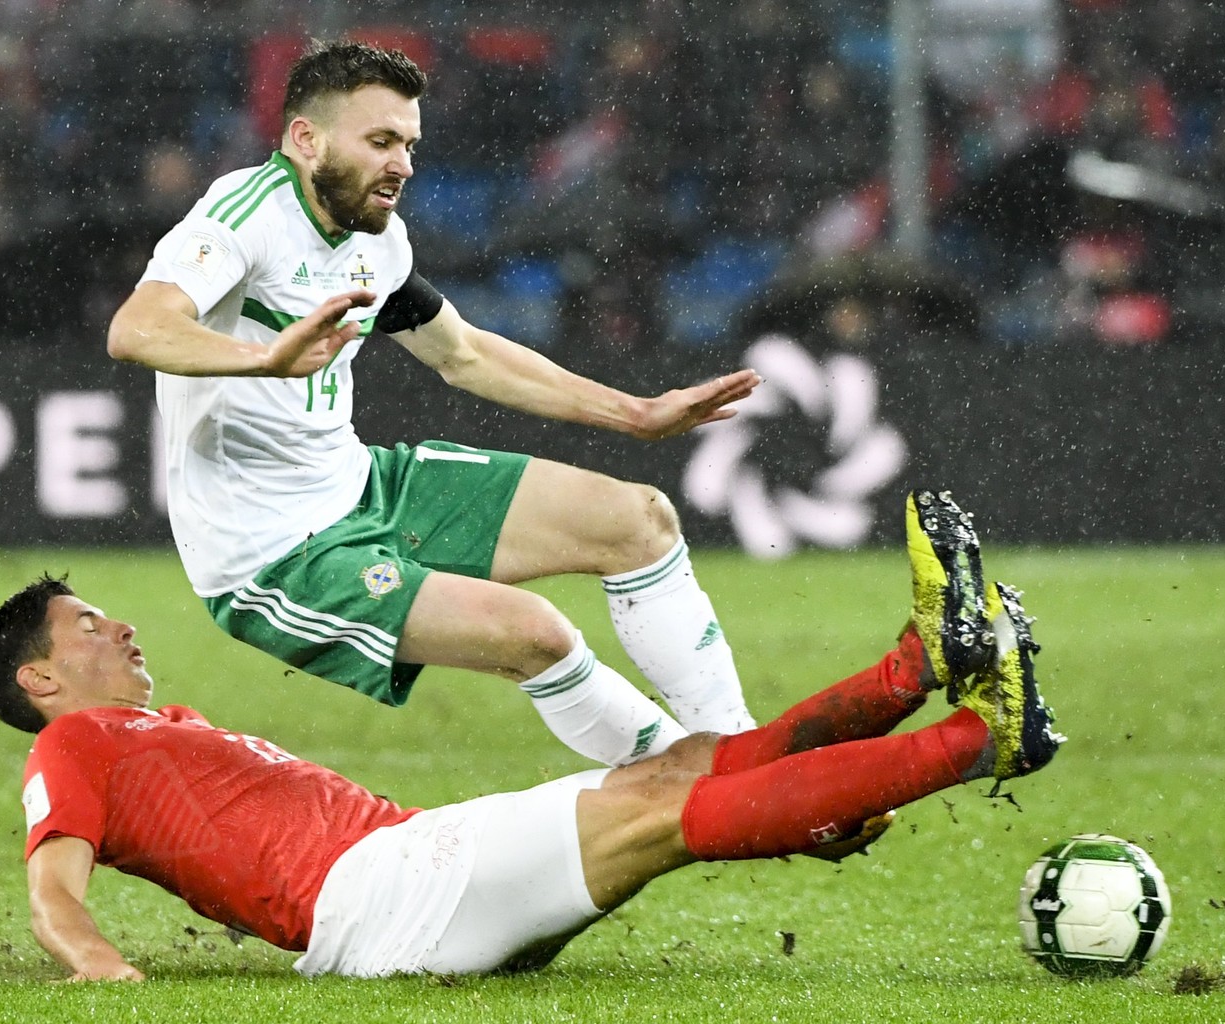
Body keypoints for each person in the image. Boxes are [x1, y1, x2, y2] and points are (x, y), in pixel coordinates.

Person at [0, 491, 1062, 980]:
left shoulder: (157, 726)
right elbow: (52, 890)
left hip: (396, 879)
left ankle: (928, 661)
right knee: (668, 807)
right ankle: (982, 735)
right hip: (379, 898)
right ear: (42, 676)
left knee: (674, 772)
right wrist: (102, 974)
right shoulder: (70, 748)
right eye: (89, 624)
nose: (122, 625)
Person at [104, 40, 763, 769]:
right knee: (534, 634)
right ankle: (702, 788)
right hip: (274, 556)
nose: (403, 165)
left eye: (410, 144)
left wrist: (634, 414)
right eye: (381, 141)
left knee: (638, 520)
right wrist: (266, 357)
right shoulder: (243, 215)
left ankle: (739, 749)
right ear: (304, 139)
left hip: (360, 486)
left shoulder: (376, 238)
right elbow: (137, 329)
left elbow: (464, 354)